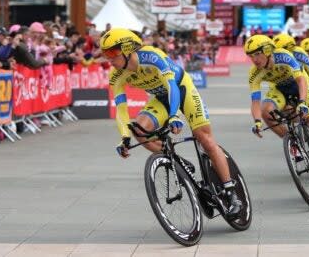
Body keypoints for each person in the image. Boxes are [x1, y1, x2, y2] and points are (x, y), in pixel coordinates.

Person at [101, 28, 242, 215]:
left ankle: (231, 192)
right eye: (104, 54)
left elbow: (172, 86)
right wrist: (124, 137)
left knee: (204, 138)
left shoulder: (152, 57)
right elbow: (121, 109)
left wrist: (175, 115)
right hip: (160, 98)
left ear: (127, 49)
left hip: (182, 89)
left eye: (111, 52)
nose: (108, 58)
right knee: (139, 130)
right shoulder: (116, 75)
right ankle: (180, 162)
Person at [244, 35, 309, 190]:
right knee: (266, 112)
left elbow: (301, 81)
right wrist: (257, 121)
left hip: (300, 85)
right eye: (251, 56)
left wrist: (303, 102)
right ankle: (292, 141)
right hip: (280, 90)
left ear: (268, 50)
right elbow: (255, 100)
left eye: (257, 54)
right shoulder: (254, 73)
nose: (254, 59)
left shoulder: (284, 56)